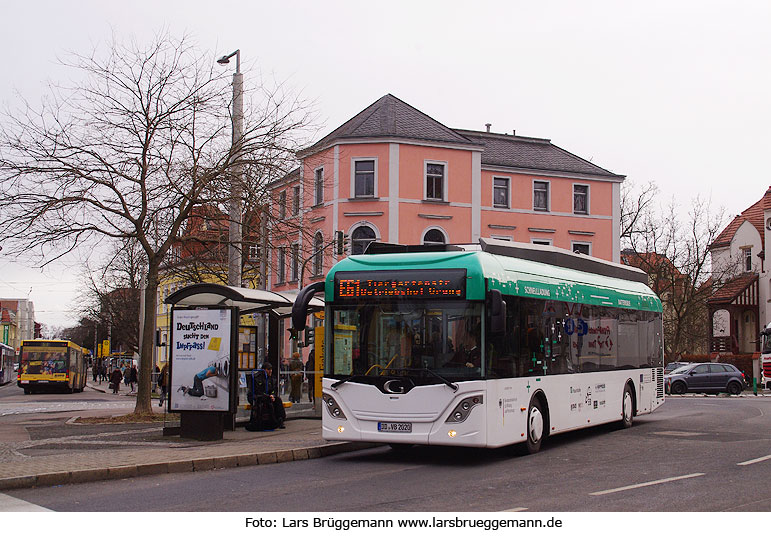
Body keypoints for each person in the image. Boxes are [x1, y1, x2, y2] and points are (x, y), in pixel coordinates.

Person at [253, 362, 285, 428]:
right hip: (259, 397)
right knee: (268, 401)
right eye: (268, 369)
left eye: (271, 369)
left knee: (278, 400)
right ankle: (273, 421)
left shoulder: (272, 378)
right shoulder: (257, 378)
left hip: (268, 396)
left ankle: (280, 419)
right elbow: (256, 391)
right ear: (264, 370)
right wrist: (267, 396)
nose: (270, 371)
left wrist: (273, 395)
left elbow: (274, 389)